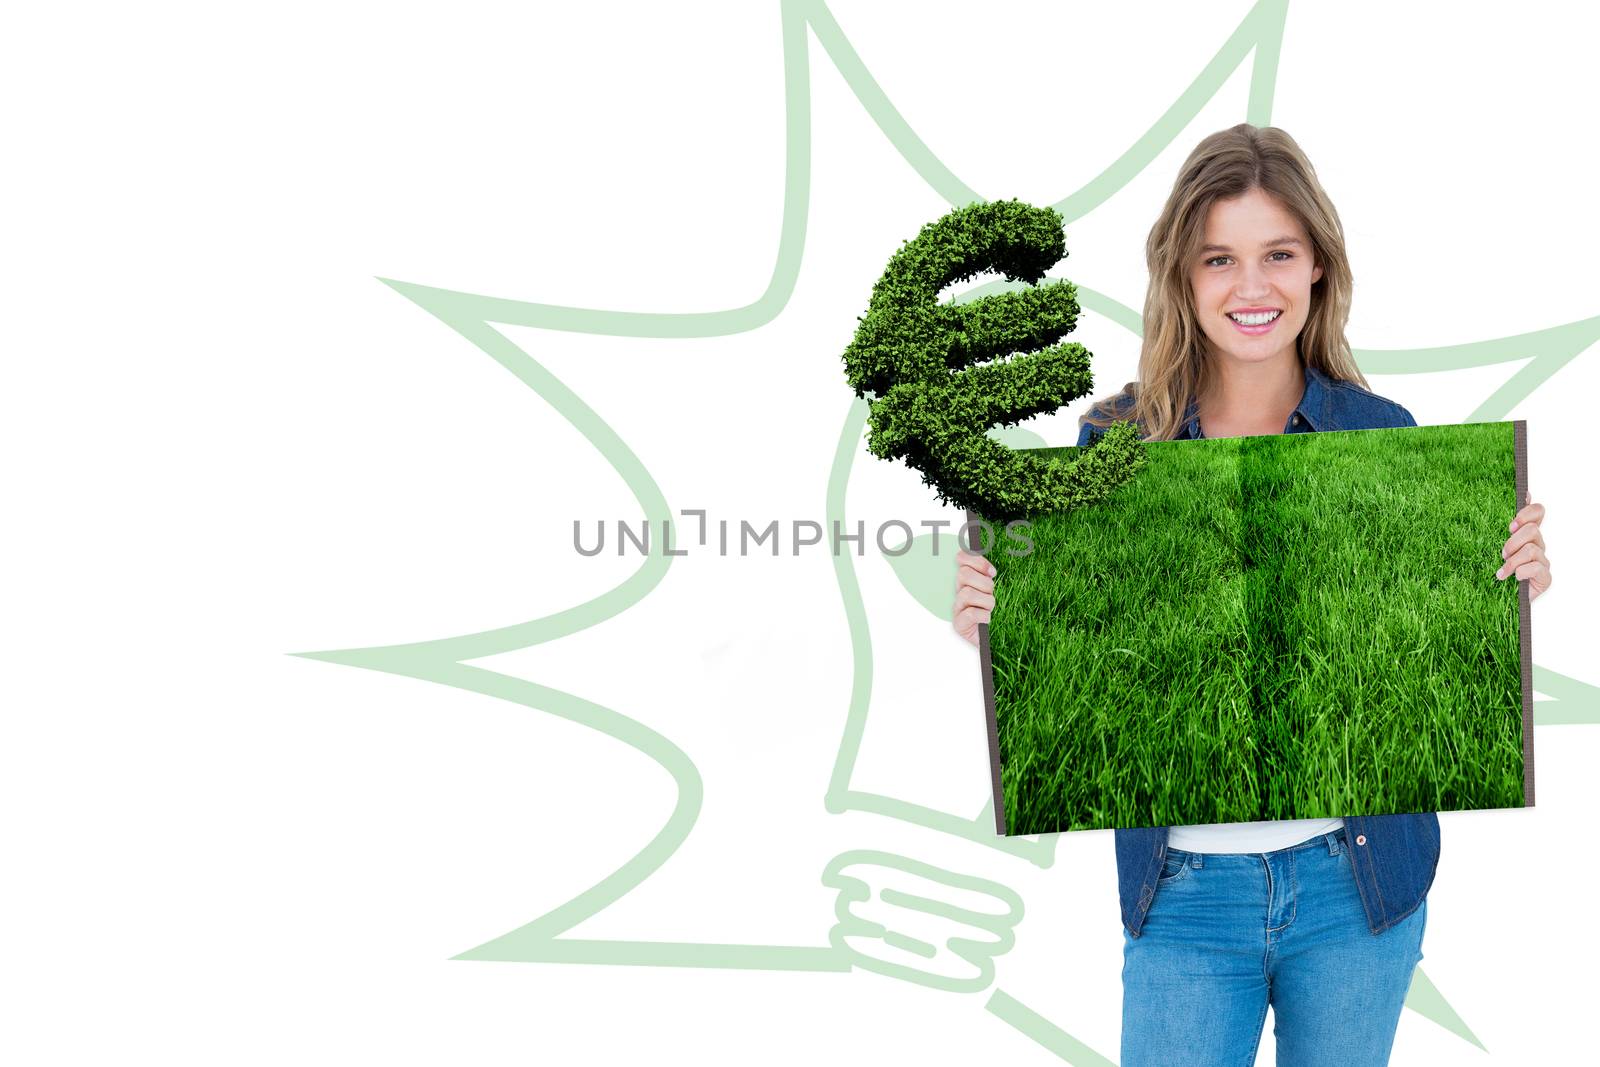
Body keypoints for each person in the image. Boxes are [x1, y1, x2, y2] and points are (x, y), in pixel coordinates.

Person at [951, 124, 1552, 1067]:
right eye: (1218, 258)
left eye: (1279, 253)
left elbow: (1409, 654)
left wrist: (1504, 582)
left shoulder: (1381, 434)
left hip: (1356, 885)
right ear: (1182, 278)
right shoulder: (1113, 445)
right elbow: (1096, 653)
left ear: (1318, 266)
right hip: (1188, 894)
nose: (1252, 286)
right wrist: (1005, 623)